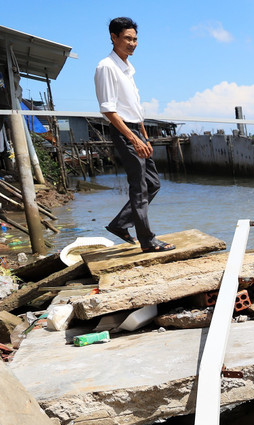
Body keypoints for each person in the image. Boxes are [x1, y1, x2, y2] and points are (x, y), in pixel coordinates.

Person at [94, 17, 174, 252]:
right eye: (127, 38)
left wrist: (143, 133)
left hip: (138, 131)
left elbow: (133, 106)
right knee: (139, 187)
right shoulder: (106, 67)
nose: (132, 43)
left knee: (153, 183)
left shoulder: (127, 68)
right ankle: (148, 241)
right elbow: (109, 110)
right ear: (113, 37)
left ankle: (120, 224)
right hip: (125, 132)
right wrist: (133, 138)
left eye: (135, 39)